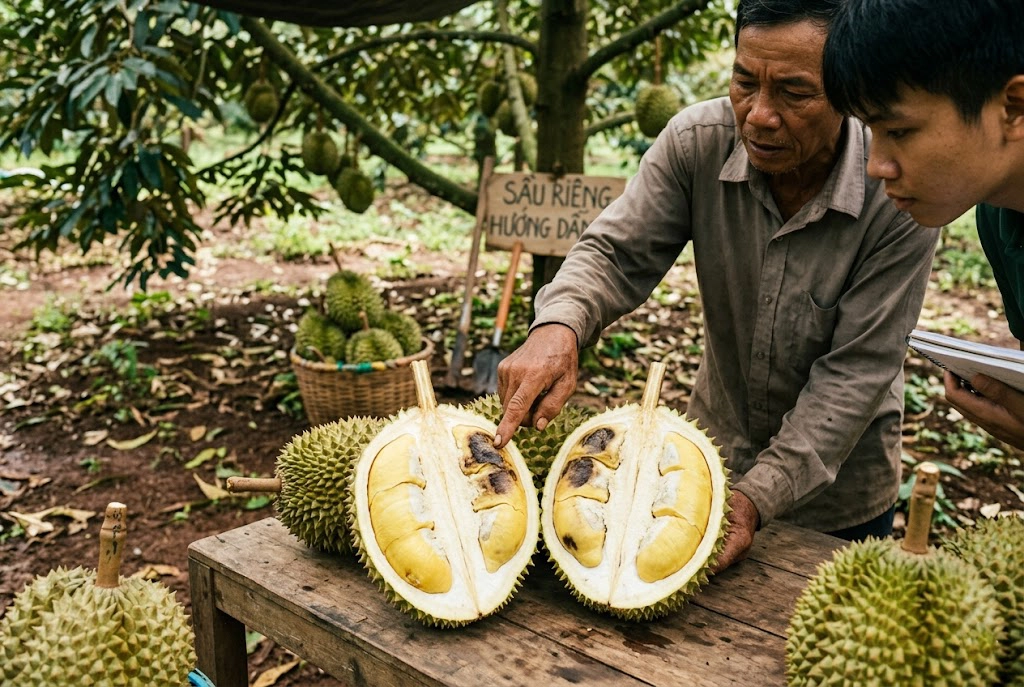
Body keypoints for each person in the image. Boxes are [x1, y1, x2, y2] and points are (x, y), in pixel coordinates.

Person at [492, 0, 941, 571]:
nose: (758, 115)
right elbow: (615, 251)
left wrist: (757, 498)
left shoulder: (897, 190)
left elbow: (858, 372)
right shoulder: (697, 141)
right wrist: (559, 325)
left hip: (840, 496)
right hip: (710, 461)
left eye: (794, 93)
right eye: (744, 82)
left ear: (851, 92)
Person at [821, 0, 1024, 450]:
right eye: (870, 133)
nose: (875, 167)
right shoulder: (999, 215)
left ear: (1013, 107)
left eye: (898, 131)